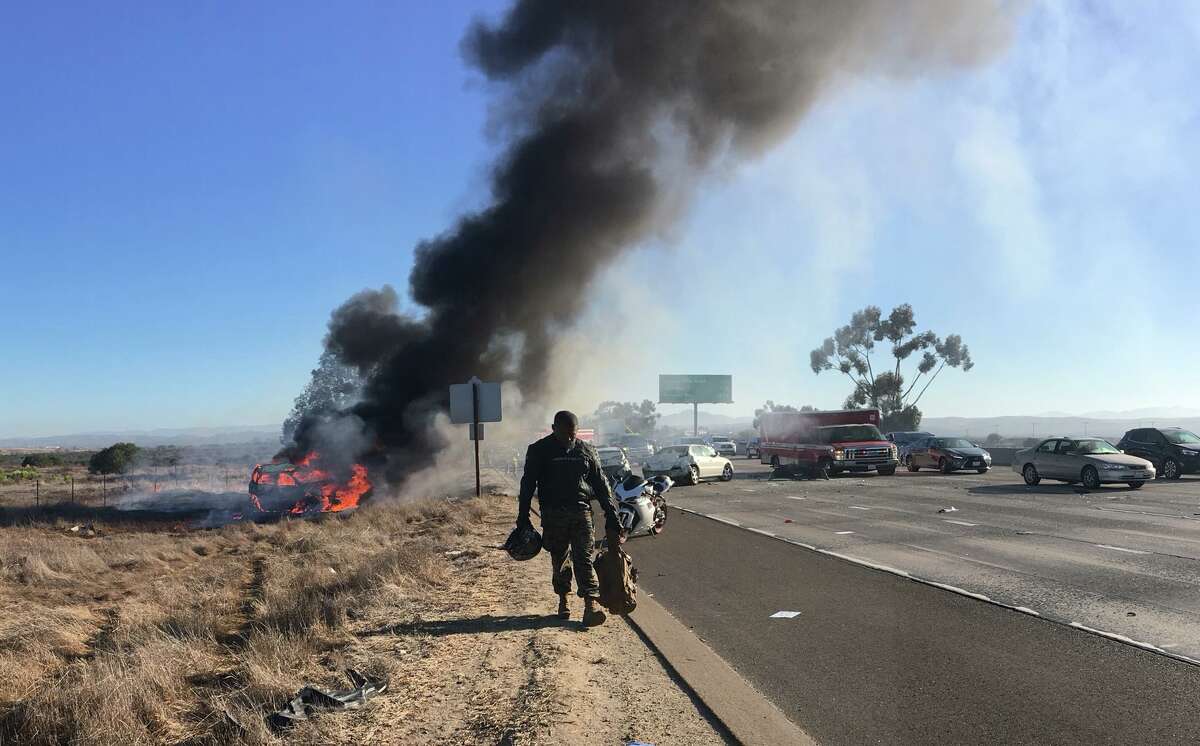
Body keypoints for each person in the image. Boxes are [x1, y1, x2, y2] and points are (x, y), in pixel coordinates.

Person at [517, 410, 623, 627]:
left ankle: (590, 606)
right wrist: (523, 517)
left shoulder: (587, 451)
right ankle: (563, 599)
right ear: (554, 428)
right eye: (565, 434)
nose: (569, 439)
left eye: (573, 435)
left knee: (583, 557)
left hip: (581, 512)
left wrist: (612, 515)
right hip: (553, 514)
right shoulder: (539, 450)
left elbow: (602, 487)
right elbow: (527, 485)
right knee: (560, 558)